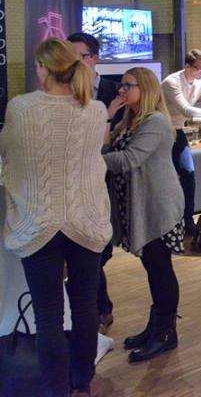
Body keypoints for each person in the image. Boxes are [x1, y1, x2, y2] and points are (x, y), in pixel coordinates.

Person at [0, 39, 111, 397]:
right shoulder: (95, 110)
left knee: (48, 317)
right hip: (86, 220)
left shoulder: (21, 108)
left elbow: (9, 152)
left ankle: (56, 390)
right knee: (85, 309)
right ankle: (83, 384)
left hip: (38, 222)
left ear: (45, 69)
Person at [102, 68, 184, 362]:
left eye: (128, 85)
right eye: (121, 85)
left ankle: (165, 332)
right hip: (139, 205)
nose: (121, 90)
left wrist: (92, 159)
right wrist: (108, 118)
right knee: (153, 266)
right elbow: (107, 148)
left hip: (157, 207)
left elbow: (127, 159)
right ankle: (156, 327)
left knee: (159, 266)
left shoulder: (156, 122)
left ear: (145, 88)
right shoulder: (130, 121)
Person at [67, 31, 120, 333]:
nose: (73, 63)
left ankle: (97, 309)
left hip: (110, 180)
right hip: (78, 184)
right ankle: (98, 309)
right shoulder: (65, 94)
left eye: (80, 56)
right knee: (88, 251)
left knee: (100, 250)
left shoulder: (115, 91)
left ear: (94, 58)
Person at [161, 48, 201, 236]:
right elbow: (186, 110)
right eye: (200, 69)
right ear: (187, 66)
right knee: (165, 178)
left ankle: (187, 220)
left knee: (189, 173)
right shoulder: (171, 82)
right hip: (160, 131)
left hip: (177, 130)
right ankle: (167, 224)